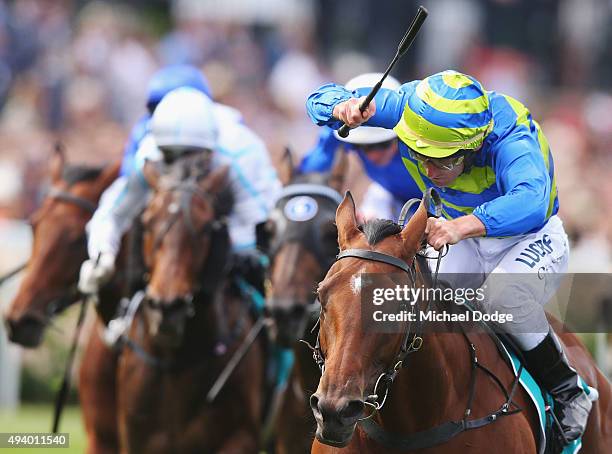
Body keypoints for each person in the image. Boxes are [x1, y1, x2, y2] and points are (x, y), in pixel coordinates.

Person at [306, 69, 593, 446]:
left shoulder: (510, 136)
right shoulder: (410, 108)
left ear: (473, 146)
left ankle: (568, 390)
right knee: (426, 304)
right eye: (420, 155)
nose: (428, 170)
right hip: (463, 235)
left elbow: (532, 200)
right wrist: (342, 107)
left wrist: (462, 226)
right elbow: (318, 98)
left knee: (504, 299)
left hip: (529, 238)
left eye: (441, 161)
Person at [78, 86, 280, 297]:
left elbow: (262, 227)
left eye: (191, 155)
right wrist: (103, 255)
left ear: (211, 149)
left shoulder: (241, 154)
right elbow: (114, 211)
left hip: (234, 227)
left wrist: (223, 247)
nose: (181, 167)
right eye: (170, 156)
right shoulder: (149, 152)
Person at [299, 73, 422, 221]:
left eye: (383, 144)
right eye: (361, 146)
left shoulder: (422, 133)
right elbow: (310, 171)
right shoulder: (343, 129)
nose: (373, 156)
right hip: (392, 199)